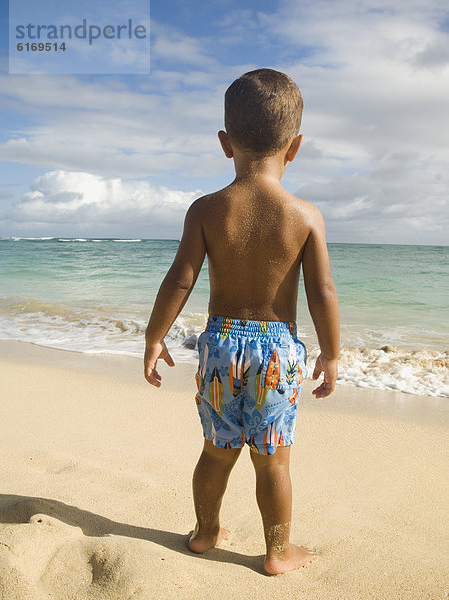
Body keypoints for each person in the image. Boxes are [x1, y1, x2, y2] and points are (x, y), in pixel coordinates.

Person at [144, 68, 340, 575]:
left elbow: (179, 281)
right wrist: (332, 353)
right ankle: (277, 552)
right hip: (277, 352)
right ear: (294, 147)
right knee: (272, 459)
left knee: (215, 451)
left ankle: (206, 533)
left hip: (219, 347)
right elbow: (322, 293)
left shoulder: (207, 210)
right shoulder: (305, 216)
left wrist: (154, 336)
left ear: (225, 143)